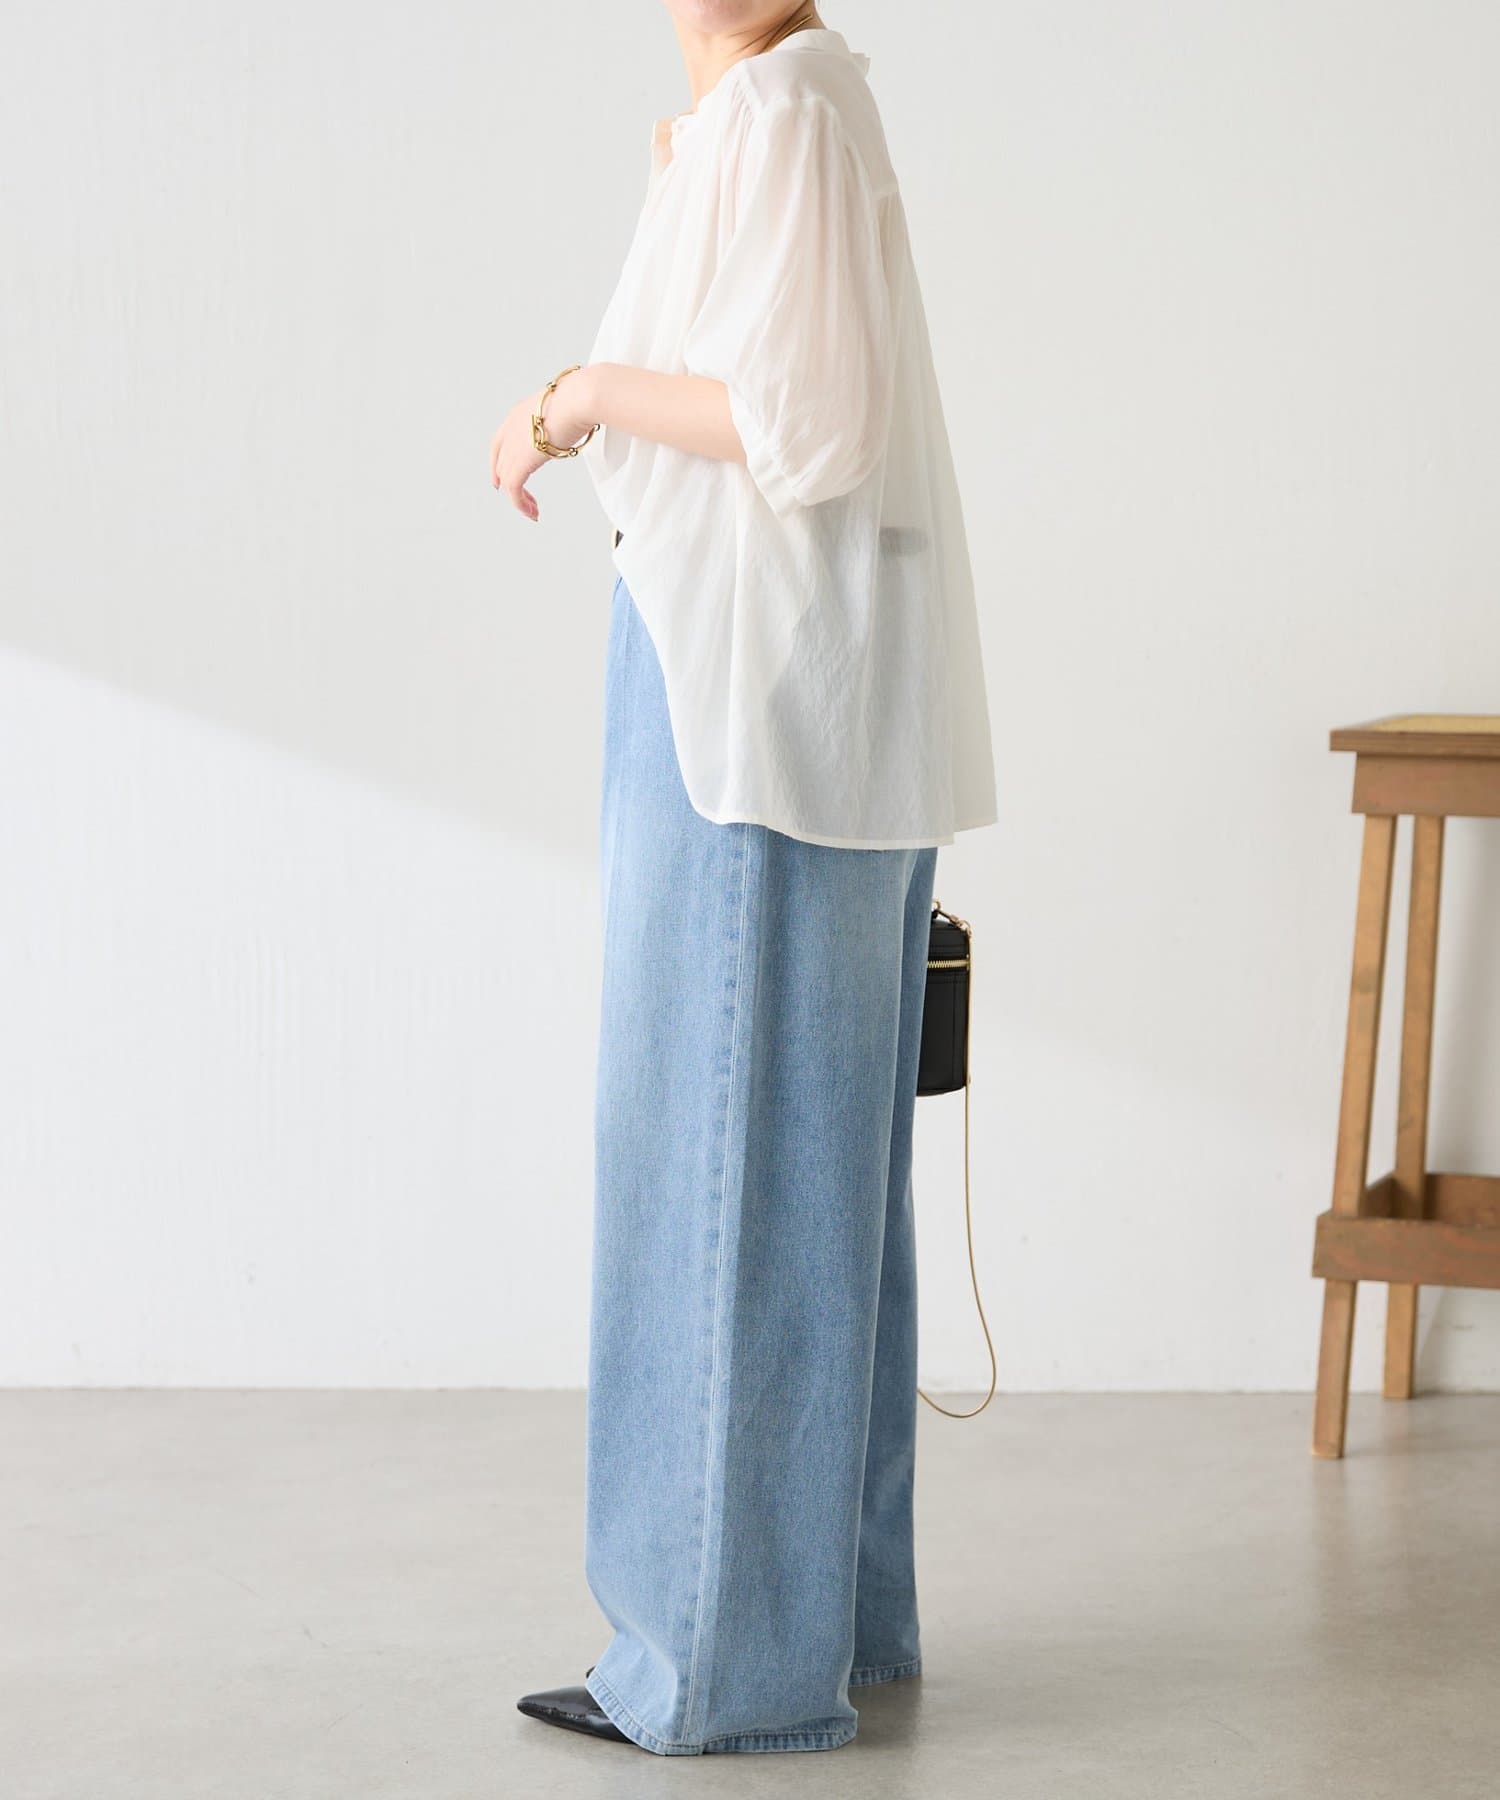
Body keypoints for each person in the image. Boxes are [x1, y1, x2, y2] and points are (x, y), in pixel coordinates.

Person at [488, 0, 998, 1757]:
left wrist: (574, 398)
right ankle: (827, 1627)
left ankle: (712, 1665)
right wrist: (687, 166)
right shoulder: (788, 107)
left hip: (743, 706)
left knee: (712, 1169)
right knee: (811, 1189)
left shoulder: (781, 110)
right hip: (812, 706)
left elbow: (808, 427)